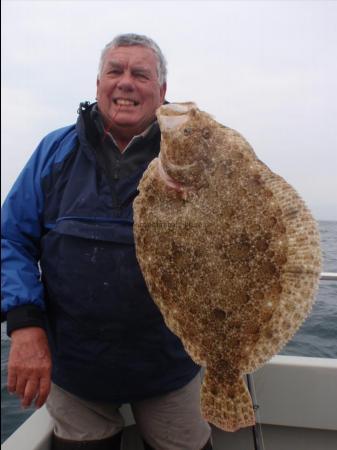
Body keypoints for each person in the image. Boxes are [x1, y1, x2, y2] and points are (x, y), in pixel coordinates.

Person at [1, 34, 213, 450]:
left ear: (162, 91)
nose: (126, 83)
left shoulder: (196, 158)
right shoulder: (55, 152)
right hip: (77, 369)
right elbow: (11, 239)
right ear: (98, 83)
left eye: (141, 74)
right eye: (114, 71)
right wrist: (25, 327)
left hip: (169, 365)